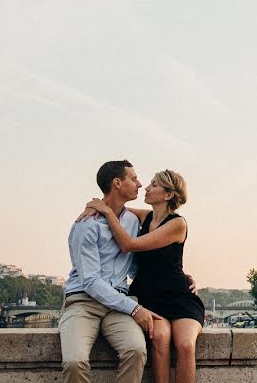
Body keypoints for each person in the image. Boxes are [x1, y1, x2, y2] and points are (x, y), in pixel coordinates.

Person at [84, 169, 204, 383]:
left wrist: (107, 213)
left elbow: (129, 245)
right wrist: (94, 206)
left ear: (168, 195)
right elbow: (114, 205)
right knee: (160, 337)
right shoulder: (144, 216)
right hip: (148, 297)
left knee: (185, 344)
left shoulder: (177, 223)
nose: (146, 188)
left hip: (178, 296)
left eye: (154, 185)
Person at [60, 159, 161, 383]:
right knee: (74, 362)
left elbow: (136, 268)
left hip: (117, 306)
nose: (140, 184)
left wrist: (180, 279)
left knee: (136, 351)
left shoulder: (133, 222)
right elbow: (91, 282)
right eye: (133, 179)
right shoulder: (85, 225)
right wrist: (135, 309)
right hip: (83, 303)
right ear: (117, 183)